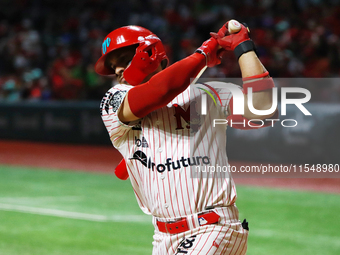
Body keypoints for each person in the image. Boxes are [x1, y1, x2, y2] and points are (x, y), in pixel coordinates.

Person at [95, 22, 277, 255]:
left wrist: (244, 47)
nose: (117, 70)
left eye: (121, 58)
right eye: (112, 66)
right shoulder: (114, 100)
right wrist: (205, 52)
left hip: (213, 227)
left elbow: (263, 111)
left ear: (148, 52)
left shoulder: (209, 93)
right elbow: (159, 92)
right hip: (162, 237)